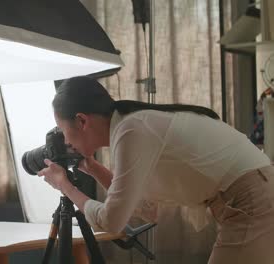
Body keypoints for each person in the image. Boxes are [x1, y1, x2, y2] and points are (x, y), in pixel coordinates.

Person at [37, 76, 274, 264]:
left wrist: (65, 186)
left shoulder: (131, 130)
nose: (66, 141)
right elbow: (148, 209)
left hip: (250, 199)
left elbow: (112, 221)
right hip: (252, 194)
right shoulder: (129, 126)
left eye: (63, 130)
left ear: (82, 121)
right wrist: (93, 168)